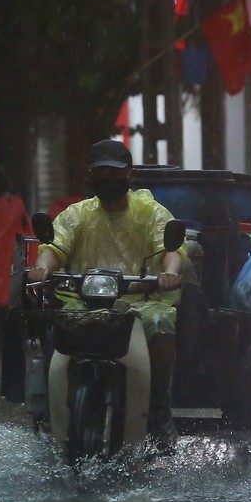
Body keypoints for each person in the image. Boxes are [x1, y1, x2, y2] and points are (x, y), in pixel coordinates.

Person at [26, 137, 186, 431]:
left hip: (142, 303)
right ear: (91, 176)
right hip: (81, 301)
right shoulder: (77, 215)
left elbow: (171, 251)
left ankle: (158, 405)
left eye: (115, 173)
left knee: (163, 326)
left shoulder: (152, 213)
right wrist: (41, 269)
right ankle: (52, 410)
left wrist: (170, 273)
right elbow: (54, 248)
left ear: (130, 174)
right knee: (51, 329)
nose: (108, 179)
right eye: (102, 173)